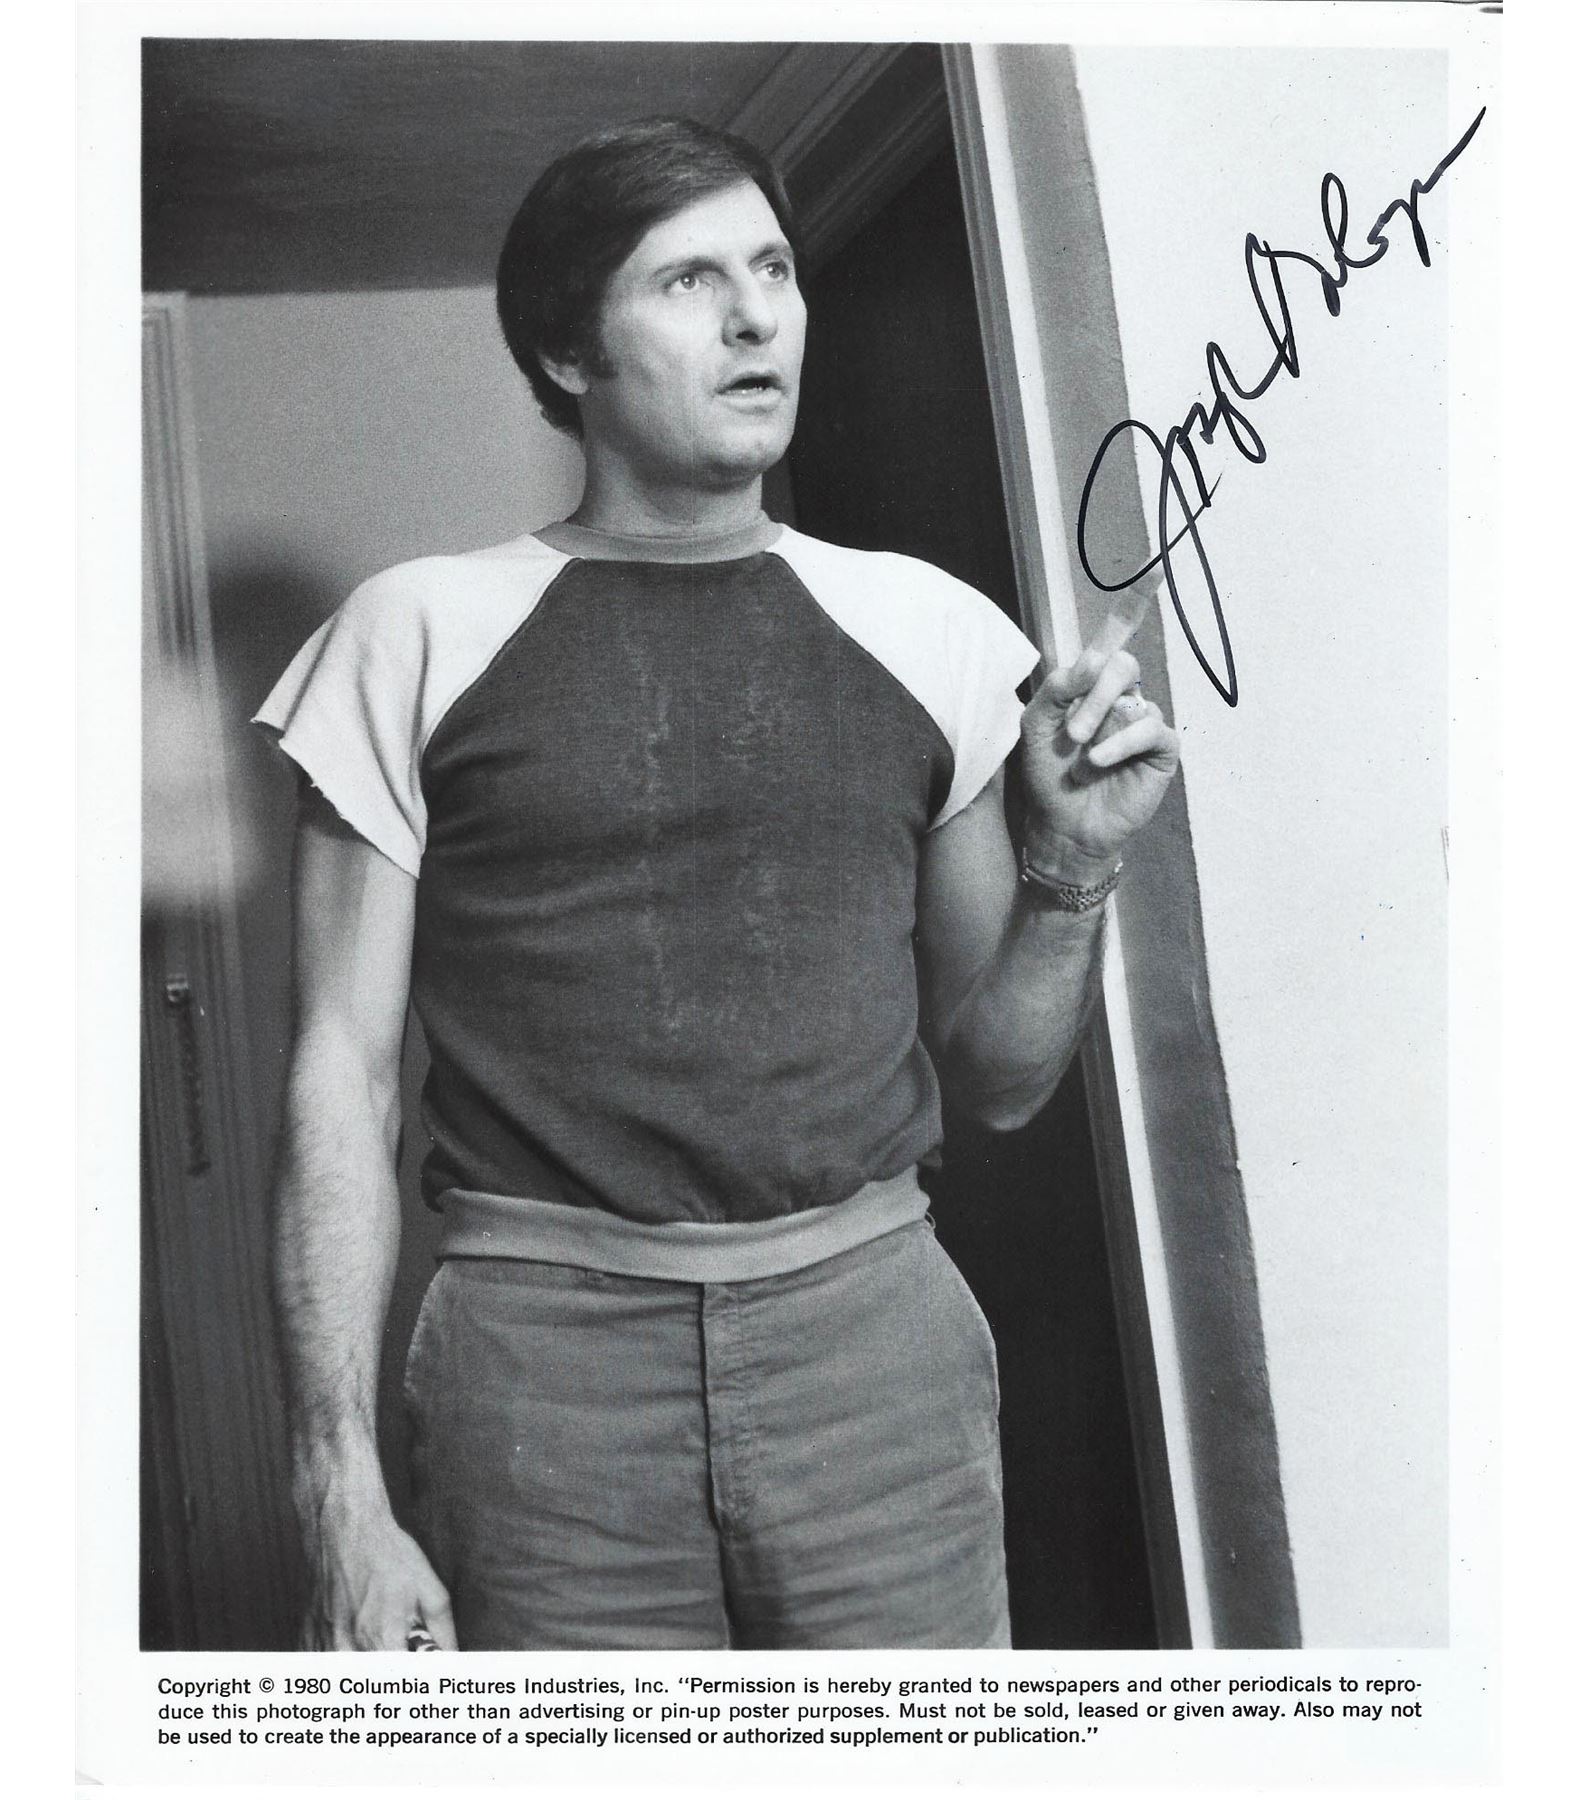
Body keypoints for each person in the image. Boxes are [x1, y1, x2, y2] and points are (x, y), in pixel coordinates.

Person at [257, 116, 1179, 1652]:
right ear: (566, 352)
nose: (757, 318)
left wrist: (1074, 866)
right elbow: (336, 1076)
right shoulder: (412, 631)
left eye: (772, 269)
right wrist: (334, 1488)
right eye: (688, 280)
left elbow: (1004, 1083)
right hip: (542, 1371)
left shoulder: (929, 628)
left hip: (874, 1350)